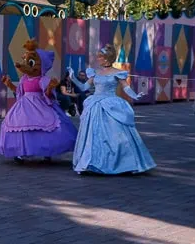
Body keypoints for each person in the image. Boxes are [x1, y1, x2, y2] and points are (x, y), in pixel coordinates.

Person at [66, 44, 156, 174]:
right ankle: (91, 162)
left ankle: (123, 162)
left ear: (107, 58)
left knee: (116, 134)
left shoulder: (118, 73)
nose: (98, 59)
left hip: (111, 104)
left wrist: (135, 95)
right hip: (95, 105)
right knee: (93, 135)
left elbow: (125, 87)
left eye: (100, 57)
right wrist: (73, 77)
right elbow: (85, 87)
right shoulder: (95, 72)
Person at [0, 39, 77, 162]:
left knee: (45, 126)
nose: (25, 65)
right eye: (25, 60)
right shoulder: (24, 79)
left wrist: (50, 88)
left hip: (40, 105)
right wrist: (9, 84)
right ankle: (20, 152)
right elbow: (19, 91)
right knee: (20, 125)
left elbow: (47, 94)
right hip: (24, 106)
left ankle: (47, 151)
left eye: (31, 62)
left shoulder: (42, 79)